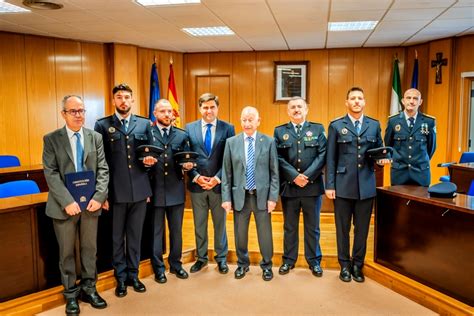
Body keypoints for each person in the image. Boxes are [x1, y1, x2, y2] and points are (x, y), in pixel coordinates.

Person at [43, 95, 109, 315]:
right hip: (64, 208)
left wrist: (99, 197)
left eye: (81, 110)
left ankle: (89, 288)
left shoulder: (95, 137)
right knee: (67, 253)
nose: (79, 115)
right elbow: (50, 173)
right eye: (74, 111)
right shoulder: (51, 139)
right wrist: (67, 201)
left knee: (90, 250)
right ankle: (70, 294)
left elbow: (103, 170)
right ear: (63, 113)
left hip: (91, 205)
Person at [325, 87, 390, 283]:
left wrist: (382, 160)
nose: (356, 101)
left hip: (366, 185)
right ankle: (344, 265)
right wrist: (329, 185)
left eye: (360, 98)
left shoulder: (374, 125)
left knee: (362, 229)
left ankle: (357, 265)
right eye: (352, 98)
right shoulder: (336, 126)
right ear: (347, 102)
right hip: (343, 185)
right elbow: (331, 158)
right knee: (342, 228)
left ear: (364, 102)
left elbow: (380, 151)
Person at [94, 83, 152, 297]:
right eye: (119, 97)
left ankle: (133, 275)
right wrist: (103, 194)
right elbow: (100, 163)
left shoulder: (144, 124)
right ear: (114, 101)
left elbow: (151, 158)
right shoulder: (102, 125)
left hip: (139, 191)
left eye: (127, 97)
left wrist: (148, 190)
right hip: (115, 193)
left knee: (135, 236)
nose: (123, 101)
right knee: (117, 237)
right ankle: (120, 278)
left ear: (132, 100)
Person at [221, 106, 279, 281]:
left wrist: (272, 197)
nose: (247, 123)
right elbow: (226, 173)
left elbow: (274, 172)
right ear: (241, 121)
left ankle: (267, 266)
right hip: (241, 196)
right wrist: (226, 198)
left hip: (262, 197)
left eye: (250, 119)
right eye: (244, 120)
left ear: (258, 121)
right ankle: (242, 264)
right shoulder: (231, 143)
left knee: (265, 234)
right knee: (240, 233)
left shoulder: (268, 142)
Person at [273, 97, 326, 277]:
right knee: (290, 227)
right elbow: (277, 157)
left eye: (300, 107)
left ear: (306, 109)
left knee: (313, 227)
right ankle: (288, 260)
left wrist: (307, 176)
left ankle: (314, 261)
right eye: (293, 107)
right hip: (290, 187)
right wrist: (295, 176)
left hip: (312, 187)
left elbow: (322, 155)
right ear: (288, 111)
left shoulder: (317, 129)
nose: (297, 110)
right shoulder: (280, 132)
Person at [185, 93, 235, 274]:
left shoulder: (228, 128)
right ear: (200, 108)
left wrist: (217, 178)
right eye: (205, 107)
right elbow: (186, 156)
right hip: (197, 185)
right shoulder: (189, 128)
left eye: (212, 107)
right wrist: (196, 176)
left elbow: (230, 158)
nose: (209, 111)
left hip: (219, 185)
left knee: (220, 224)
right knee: (199, 224)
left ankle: (221, 259)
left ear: (217, 108)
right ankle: (201, 258)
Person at [147, 99, 192, 283]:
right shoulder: (147, 133)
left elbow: (187, 158)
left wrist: (189, 165)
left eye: (170, 112)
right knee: (156, 232)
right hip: (154, 189)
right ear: (155, 114)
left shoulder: (181, 135)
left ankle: (176, 264)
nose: (167, 115)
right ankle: (158, 268)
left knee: (176, 231)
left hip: (175, 190)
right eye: (163, 111)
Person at [384, 88, 436, 186]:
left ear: (420, 102)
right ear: (403, 101)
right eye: (408, 98)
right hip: (399, 172)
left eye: (415, 98)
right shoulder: (393, 121)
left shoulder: (429, 122)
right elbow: (388, 145)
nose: (411, 101)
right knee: (398, 201)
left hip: (421, 172)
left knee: (420, 201)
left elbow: (431, 147)